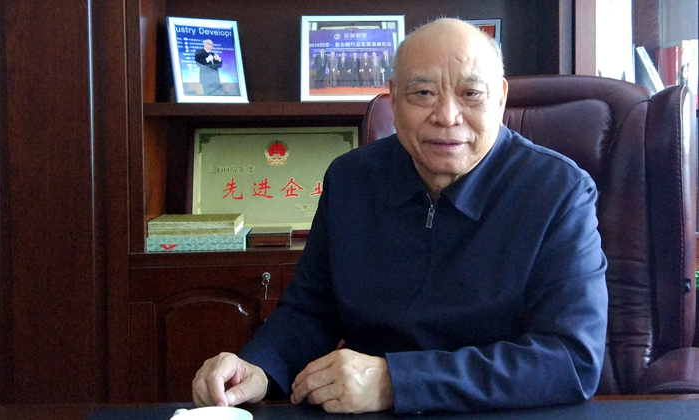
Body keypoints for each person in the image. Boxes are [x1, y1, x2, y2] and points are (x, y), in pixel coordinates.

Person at [192, 18, 608, 415]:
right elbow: (311, 310)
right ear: (393, 98)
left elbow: (570, 359)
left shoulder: (558, 191)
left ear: (500, 98)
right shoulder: (352, 179)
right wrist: (259, 366)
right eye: (423, 93)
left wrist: (397, 381)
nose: (447, 116)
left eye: (471, 94)